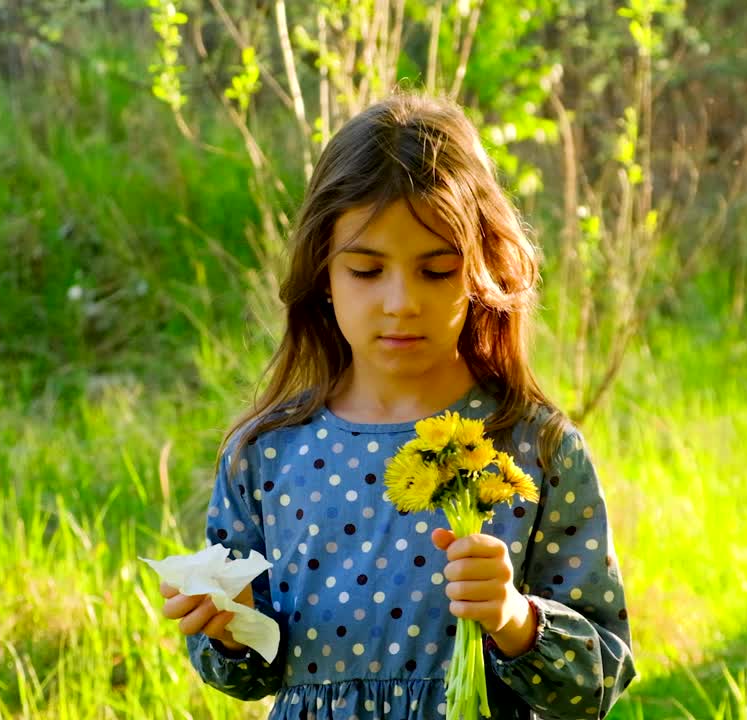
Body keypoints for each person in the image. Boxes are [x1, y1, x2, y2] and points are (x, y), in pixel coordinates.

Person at [159, 92, 636, 719]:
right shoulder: (267, 455)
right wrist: (227, 625)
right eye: (365, 270)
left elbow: (597, 681)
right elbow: (247, 675)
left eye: (435, 271)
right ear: (322, 274)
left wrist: (514, 618)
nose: (400, 302)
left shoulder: (532, 447)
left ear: (479, 271)